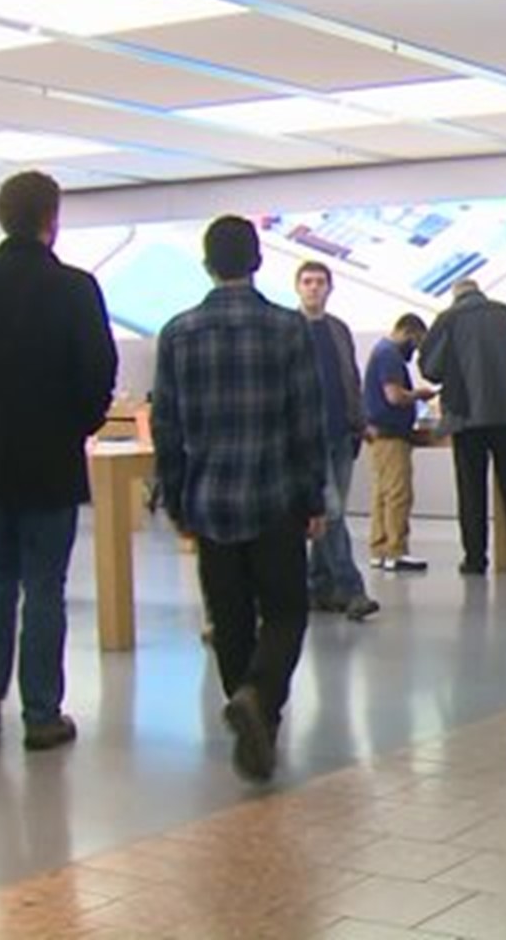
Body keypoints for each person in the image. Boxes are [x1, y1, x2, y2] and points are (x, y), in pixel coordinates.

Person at [0, 170, 117, 751]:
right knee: (45, 584)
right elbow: (98, 373)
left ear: (1, 217)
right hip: (52, 461)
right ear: (50, 220)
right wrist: (73, 425)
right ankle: (41, 713)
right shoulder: (76, 289)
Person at [152, 216, 327, 783]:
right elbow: (306, 420)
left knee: (228, 619)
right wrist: (313, 497)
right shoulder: (286, 329)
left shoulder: (178, 332)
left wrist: (176, 499)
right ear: (257, 262)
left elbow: (168, 426)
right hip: (274, 495)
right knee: (285, 610)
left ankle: (251, 711)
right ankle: (259, 699)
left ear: (207, 264)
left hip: (210, 498)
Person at [419, 279, 506, 576]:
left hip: (468, 417)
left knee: (471, 491)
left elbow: (430, 369)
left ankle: (475, 560)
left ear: (455, 295)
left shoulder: (449, 319)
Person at [293, 261, 378, 621]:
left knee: (331, 512)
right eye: (308, 282)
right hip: (307, 435)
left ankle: (318, 585)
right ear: (297, 287)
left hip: (342, 432)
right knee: (331, 510)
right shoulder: (288, 328)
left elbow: (350, 378)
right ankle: (352, 588)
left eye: (320, 282)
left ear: (330, 288)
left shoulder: (338, 330)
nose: (314, 288)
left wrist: (360, 422)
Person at [364, 313, 436, 573]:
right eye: (417, 342)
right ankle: (395, 550)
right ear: (408, 332)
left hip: (378, 434)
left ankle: (379, 548)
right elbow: (394, 396)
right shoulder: (390, 355)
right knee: (398, 493)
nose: (415, 350)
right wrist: (420, 394)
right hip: (392, 435)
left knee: (382, 493)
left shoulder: (380, 351)